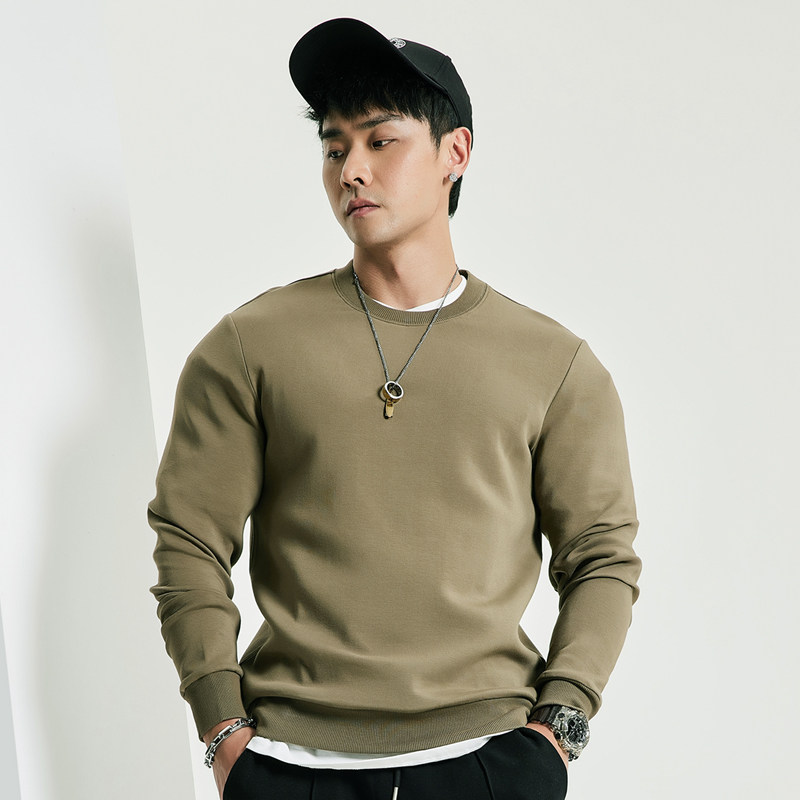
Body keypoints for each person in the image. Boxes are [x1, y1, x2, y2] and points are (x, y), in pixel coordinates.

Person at [148, 17, 642, 800]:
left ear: (456, 153)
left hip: (490, 761)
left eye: (381, 141)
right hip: (290, 766)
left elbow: (602, 557)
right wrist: (221, 729)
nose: (352, 170)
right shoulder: (249, 346)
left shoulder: (554, 365)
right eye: (334, 148)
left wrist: (561, 726)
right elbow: (189, 540)